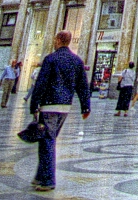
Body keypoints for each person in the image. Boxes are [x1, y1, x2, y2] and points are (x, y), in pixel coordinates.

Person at [28, 30, 91, 193]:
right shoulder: (77, 61)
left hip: (49, 104)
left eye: (55, 39)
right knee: (48, 139)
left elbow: (41, 83)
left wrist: (34, 104)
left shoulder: (50, 59)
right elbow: (83, 85)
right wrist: (85, 106)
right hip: (65, 107)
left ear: (58, 40)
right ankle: (40, 176)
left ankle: (48, 180)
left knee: (47, 140)